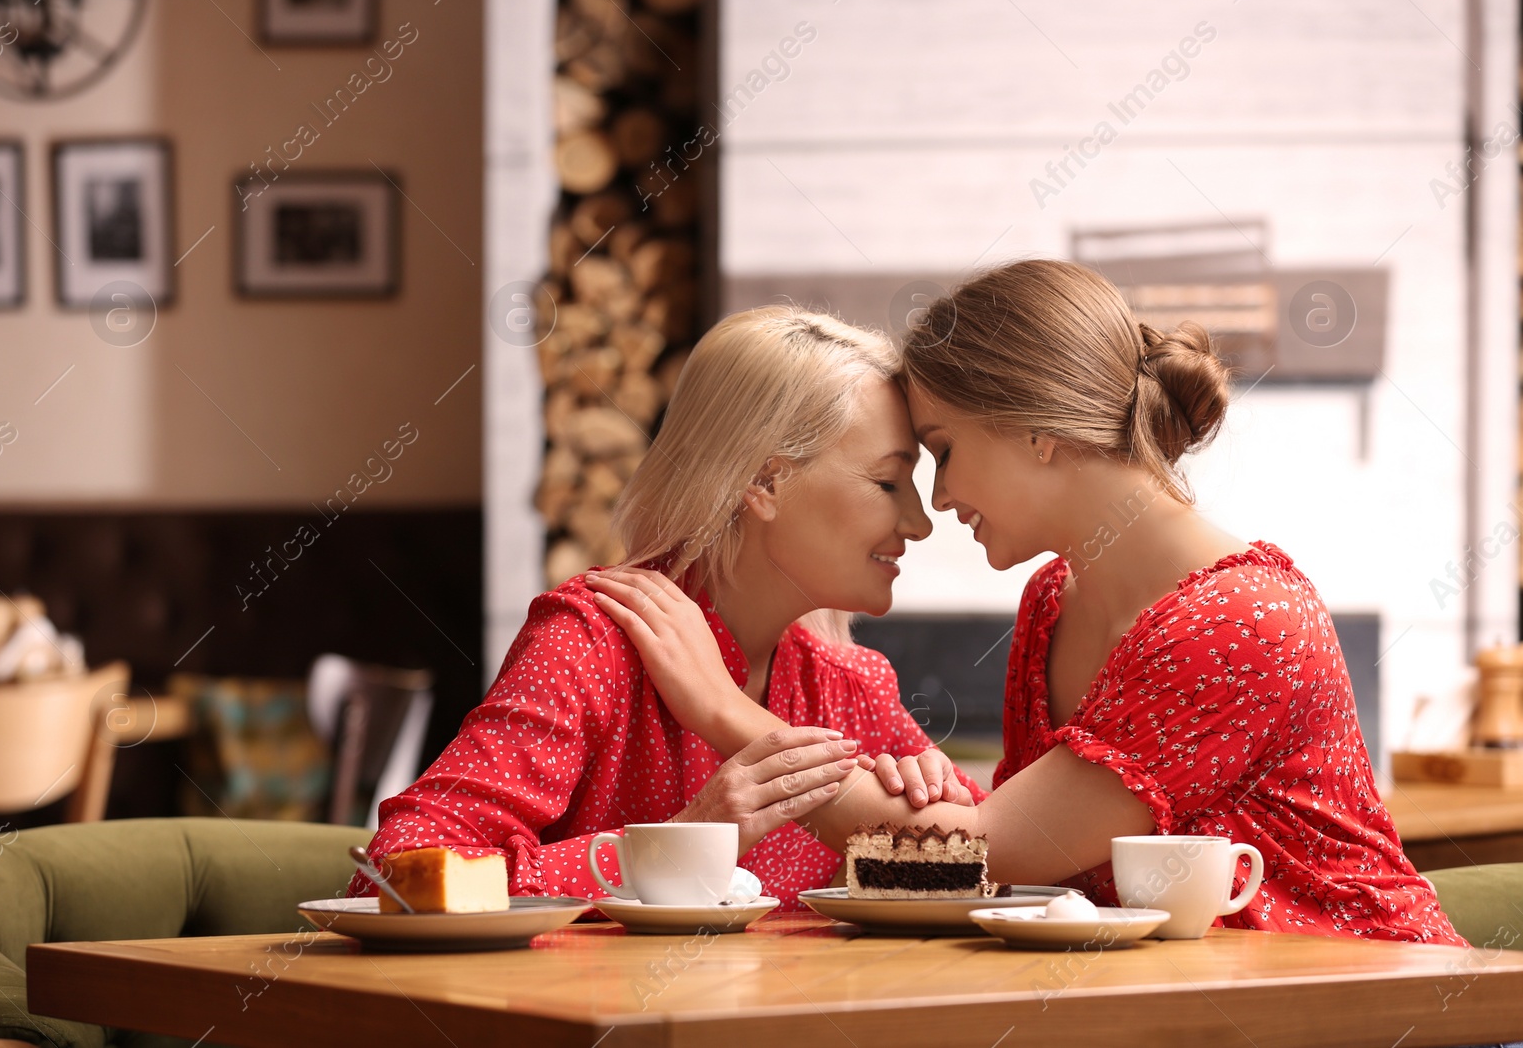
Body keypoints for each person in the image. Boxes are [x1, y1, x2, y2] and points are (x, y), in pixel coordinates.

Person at [591, 259, 1465, 945]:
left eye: (941, 450)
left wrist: (719, 706)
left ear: (1037, 432)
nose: (937, 503)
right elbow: (996, 868)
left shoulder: (1240, 622)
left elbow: (979, 849)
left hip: (1368, 1001)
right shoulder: (1053, 602)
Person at [348, 306, 979, 906]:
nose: (920, 523)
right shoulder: (592, 642)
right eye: (888, 483)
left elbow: (988, 867)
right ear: (764, 481)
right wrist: (675, 845)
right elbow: (392, 876)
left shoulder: (850, 688)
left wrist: (929, 803)